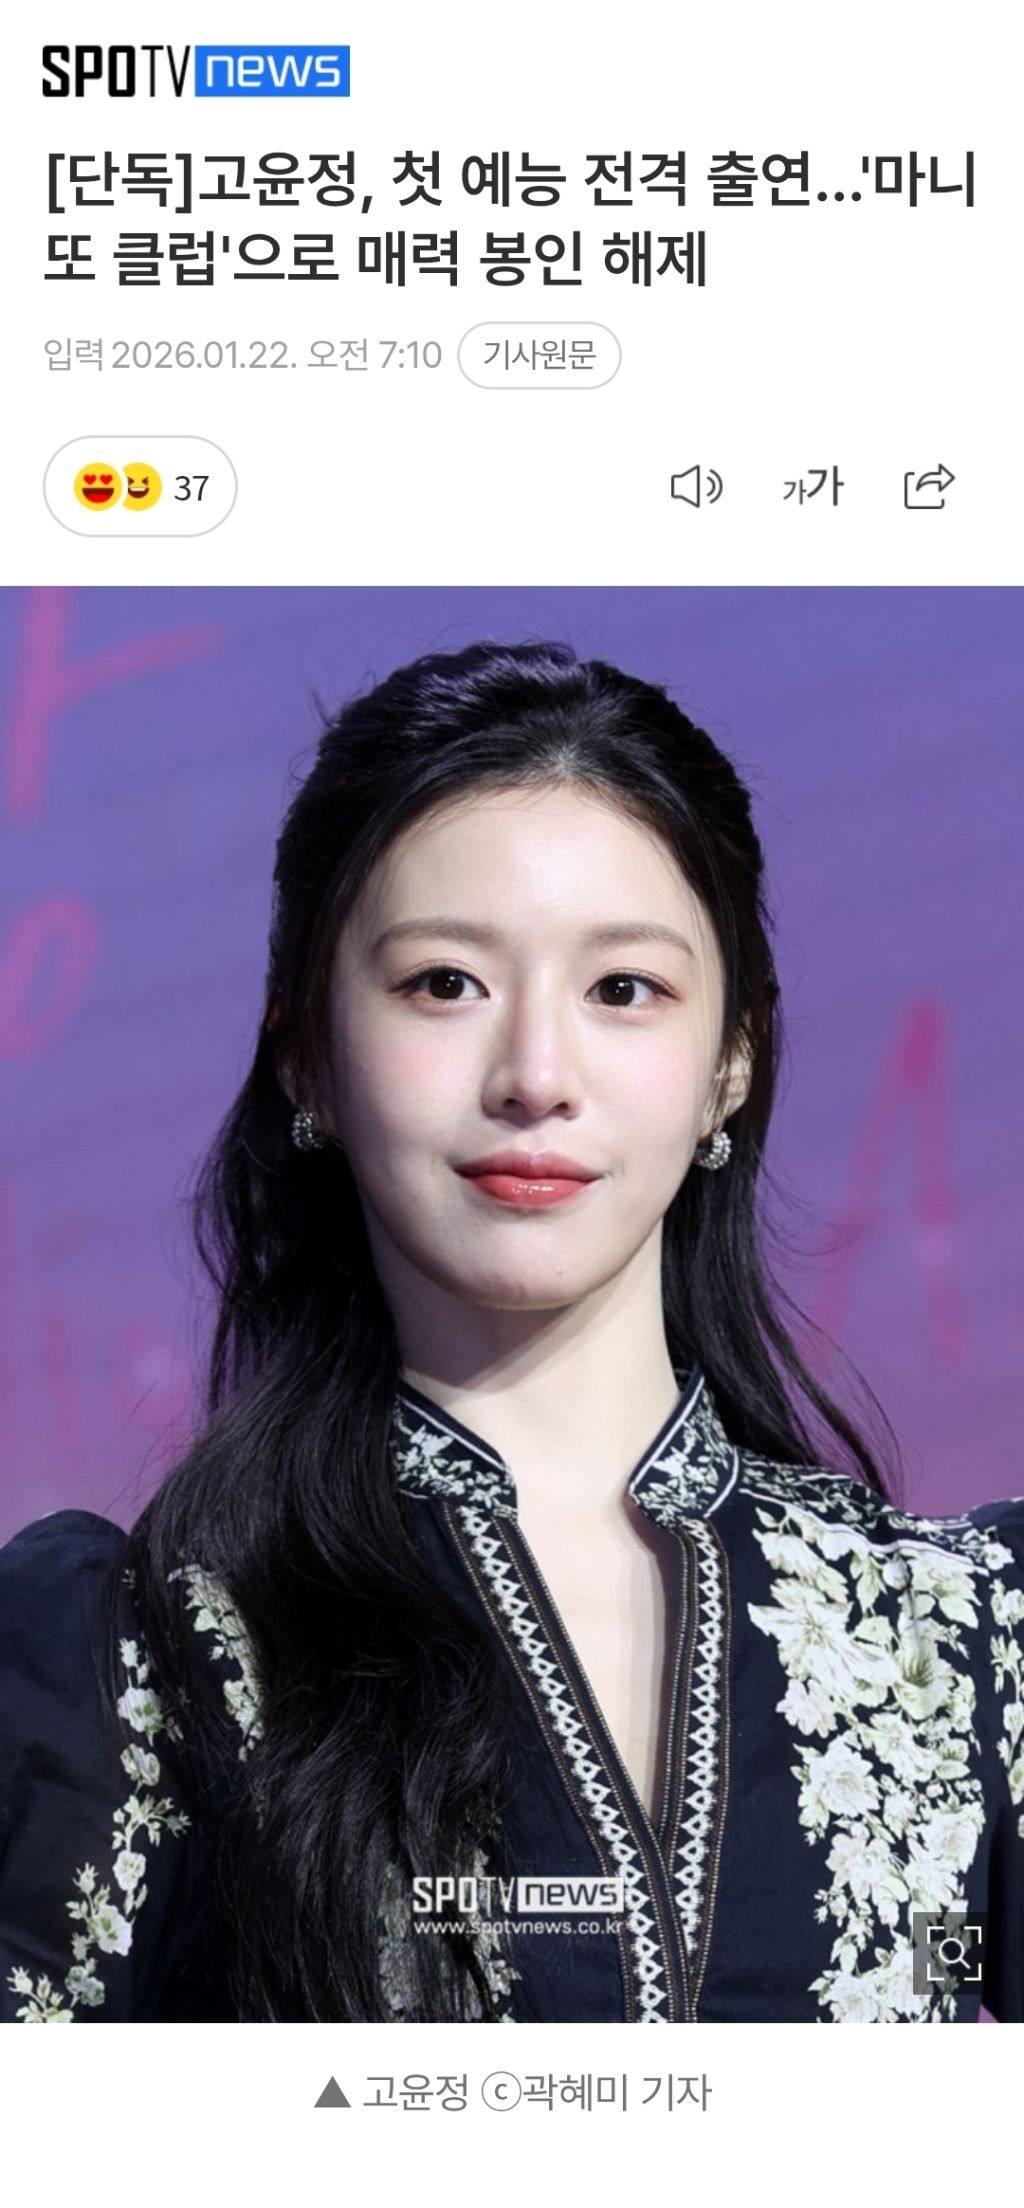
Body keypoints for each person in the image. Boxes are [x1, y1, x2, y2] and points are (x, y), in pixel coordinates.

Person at [1, 639, 1021, 2026]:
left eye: (624, 990)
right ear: (306, 1054)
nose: (536, 1077)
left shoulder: (961, 1635)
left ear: (732, 1061)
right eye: (444, 983)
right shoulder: (147, 1658)